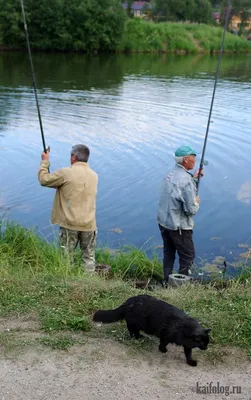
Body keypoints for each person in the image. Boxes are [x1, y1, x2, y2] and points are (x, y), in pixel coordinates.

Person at [38, 144, 98, 272]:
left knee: (66, 258)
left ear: (73, 157)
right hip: (89, 225)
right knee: (89, 258)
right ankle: (89, 286)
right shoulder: (94, 175)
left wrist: (45, 162)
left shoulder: (65, 173)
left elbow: (44, 180)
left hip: (69, 225)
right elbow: (74, 187)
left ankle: (67, 284)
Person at [157, 145, 204, 285]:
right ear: (185, 160)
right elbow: (191, 210)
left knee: (169, 253)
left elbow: (178, 194)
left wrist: (194, 180)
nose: (195, 162)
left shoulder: (170, 174)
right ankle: (181, 286)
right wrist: (196, 202)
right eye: (193, 159)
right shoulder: (186, 181)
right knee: (187, 255)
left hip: (164, 223)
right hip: (179, 226)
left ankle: (167, 281)